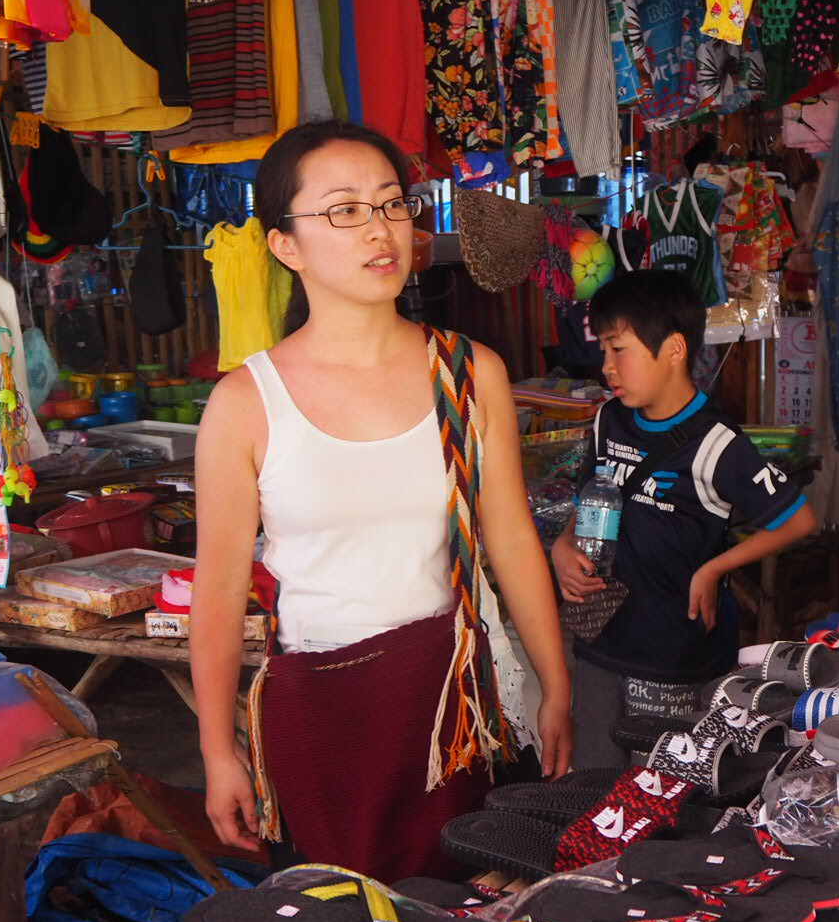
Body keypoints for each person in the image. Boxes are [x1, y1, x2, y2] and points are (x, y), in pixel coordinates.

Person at [192, 120, 572, 876]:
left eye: (392, 203)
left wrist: (555, 686)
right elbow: (219, 592)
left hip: (455, 706)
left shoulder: (469, 373)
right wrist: (217, 753)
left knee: (474, 905)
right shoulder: (246, 404)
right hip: (323, 712)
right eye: (345, 210)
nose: (380, 229)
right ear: (286, 246)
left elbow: (511, 541)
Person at [551, 269, 820, 768]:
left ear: (674, 349)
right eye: (603, 349)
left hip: (675, 655)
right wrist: (563, 546)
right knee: (594, 778)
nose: (606, 366)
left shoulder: (717, 443)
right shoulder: (608, 420)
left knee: (662, 785)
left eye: (619, 349)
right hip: (599, 640)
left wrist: (713, 569)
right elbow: (590, 496)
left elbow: (798, 520)